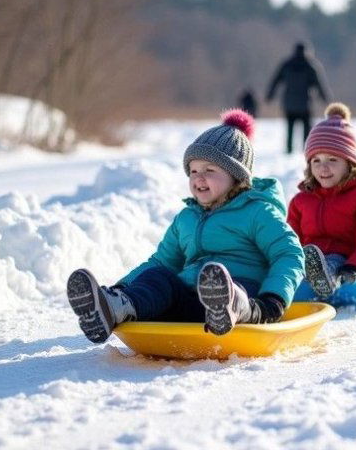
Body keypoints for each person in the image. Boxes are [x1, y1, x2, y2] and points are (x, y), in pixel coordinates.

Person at [66, 110, 305, 343]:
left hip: (246, 299)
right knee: (159, 277)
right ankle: (115, 307)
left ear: (236, 176)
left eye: (210, 170)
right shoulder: (186, 218)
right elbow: (162, 261)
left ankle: (231, 305)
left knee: (231, 286)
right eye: (193, 171)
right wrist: (124, 287)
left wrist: (273, 299)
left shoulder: (258, 211)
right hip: (192, 302)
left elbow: (289, 254)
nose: (199, 178)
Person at [288, 103, 356, 298]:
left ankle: (324, 277)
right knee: (298, 258)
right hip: (312, 261)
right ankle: (310, 276)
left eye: (333, 160)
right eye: (316, 161)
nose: (323, 168)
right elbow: (289, 242)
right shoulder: (301, 201)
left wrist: (355, 268)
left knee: (333, 260)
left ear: (350, 164)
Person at [266, 42, 330, 154]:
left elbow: (275, 81)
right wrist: (325, 98)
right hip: (305, 104)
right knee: (306, 129)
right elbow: (320, 84)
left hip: (289, 104)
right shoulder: (311, 65)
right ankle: (305, 150)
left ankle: (289, 150)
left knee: (290, 129)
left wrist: (270, 95)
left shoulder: (286, 65)